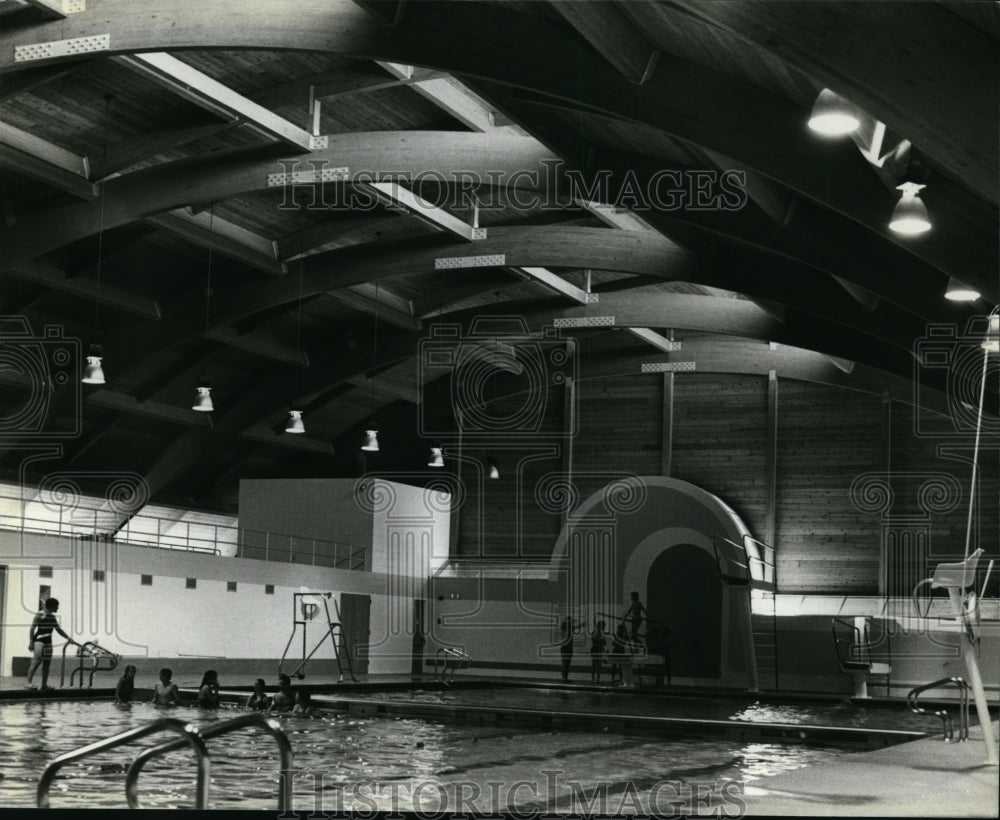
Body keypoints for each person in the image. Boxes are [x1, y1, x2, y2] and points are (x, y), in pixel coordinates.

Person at [26, 598, 78, 691]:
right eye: (56, 607)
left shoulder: (53, 617)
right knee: (37, 661)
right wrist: (31, 642)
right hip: (39, 641)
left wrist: (68, 638)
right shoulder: (39, 614)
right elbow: (32, 628)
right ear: (52, 606)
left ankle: (44, 685)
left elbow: (58, 630)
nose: (57, 608)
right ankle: (28, 683)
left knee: (47, 664)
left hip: (48, 642)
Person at [559, 617, 574, 682]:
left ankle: (565, 677)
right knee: (565, 663)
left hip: (569, 648)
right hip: (565, 648)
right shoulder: (564, 630)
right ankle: (563, 678)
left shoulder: (568, 630)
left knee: (567, 664)